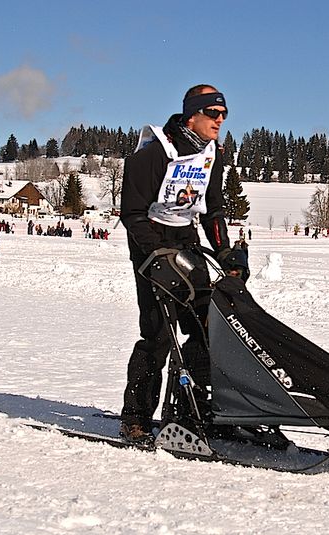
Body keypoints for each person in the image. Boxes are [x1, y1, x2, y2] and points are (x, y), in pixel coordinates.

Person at [118, 84, 244, 444]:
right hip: (150, 243)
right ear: (193, 115)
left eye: (224, 114)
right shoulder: (155, 153)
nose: (220, 120)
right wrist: (156, 254)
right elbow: (132, 213)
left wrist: (225, 253)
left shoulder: (212, 154)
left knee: (208, 325)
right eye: (213, 114)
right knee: (157, 334)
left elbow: (213, 209)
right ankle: (136, 417)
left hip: (185, 238)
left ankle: (192, 410)